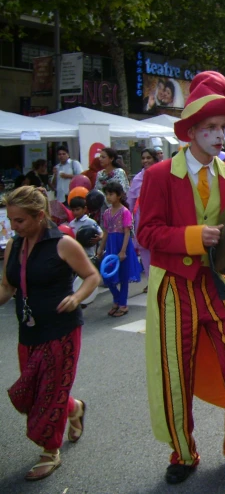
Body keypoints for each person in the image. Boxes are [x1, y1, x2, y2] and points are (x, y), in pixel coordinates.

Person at [137, 71, 225, 484]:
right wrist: (195, 237)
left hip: (215, 284)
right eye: (211, 128)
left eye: (223, 127)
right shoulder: (160, 175)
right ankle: (182, 453)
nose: (220, 135)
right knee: (175, 372)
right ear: (193, 131)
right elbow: (146, 232)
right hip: (173, 287)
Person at [0, 186, 99, 481]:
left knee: (49, 393)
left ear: (40, 216)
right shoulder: (15, 246)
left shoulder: (63, 243)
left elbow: (92, 276)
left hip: (61, 329)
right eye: (11, 221)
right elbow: (7, 286)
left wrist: (76, 297)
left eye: (19, 221)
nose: (14, 227)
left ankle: (49, 451)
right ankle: (75, 408)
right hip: (29, 329)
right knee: (31, 392)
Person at [97, 182, 142, 317]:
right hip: (111, 246)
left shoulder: (125, 212)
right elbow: (105, 232)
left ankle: (122, 304)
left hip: (122, 246)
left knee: (123, 277)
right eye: (107, 194)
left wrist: (122, 251)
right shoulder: (106, 213)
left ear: (119, 195)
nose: (108, 197)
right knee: (108, 277)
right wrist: (100, 248)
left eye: (111, 194)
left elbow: (127, 232)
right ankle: (117, 299)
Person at [127, 148, 158, 286]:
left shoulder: (164, 174)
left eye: (148, 158)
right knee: (145, 252)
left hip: (161, 221)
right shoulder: (138, 178)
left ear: (155, 159)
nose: (145, 161)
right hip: (142, 221)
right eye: (143, 158)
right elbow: (130, 201)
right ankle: (152, 283)